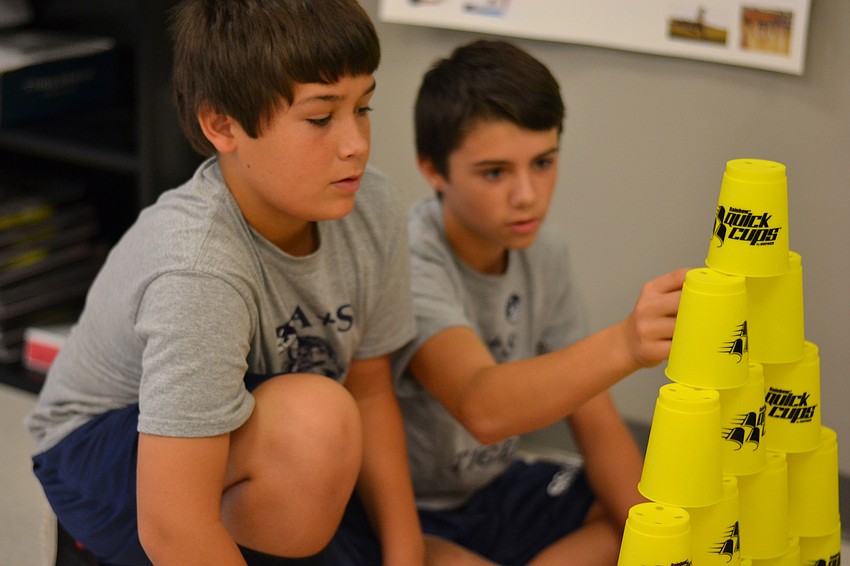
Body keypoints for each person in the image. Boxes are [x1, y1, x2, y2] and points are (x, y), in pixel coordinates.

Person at [25, 1, 426, 564]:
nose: (355, 142)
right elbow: (173, 529)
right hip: (103, 454)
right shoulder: (197, 266)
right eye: (320, 117)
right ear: (222, 125)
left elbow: (371, 388)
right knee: (316, 423)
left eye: (364, 108)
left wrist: (404, 554)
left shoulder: (373, 204)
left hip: (254, 427)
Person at [392, 39, 689, 565]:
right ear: (434, 170)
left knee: (641, 517)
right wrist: (625, 342)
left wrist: (665, 543)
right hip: (414, 513)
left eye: (544, 162)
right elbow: (481, 405)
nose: (528, 195)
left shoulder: (544, 251)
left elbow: (595, 418)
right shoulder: (412, 259)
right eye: (495, 172)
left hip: (501, 489)